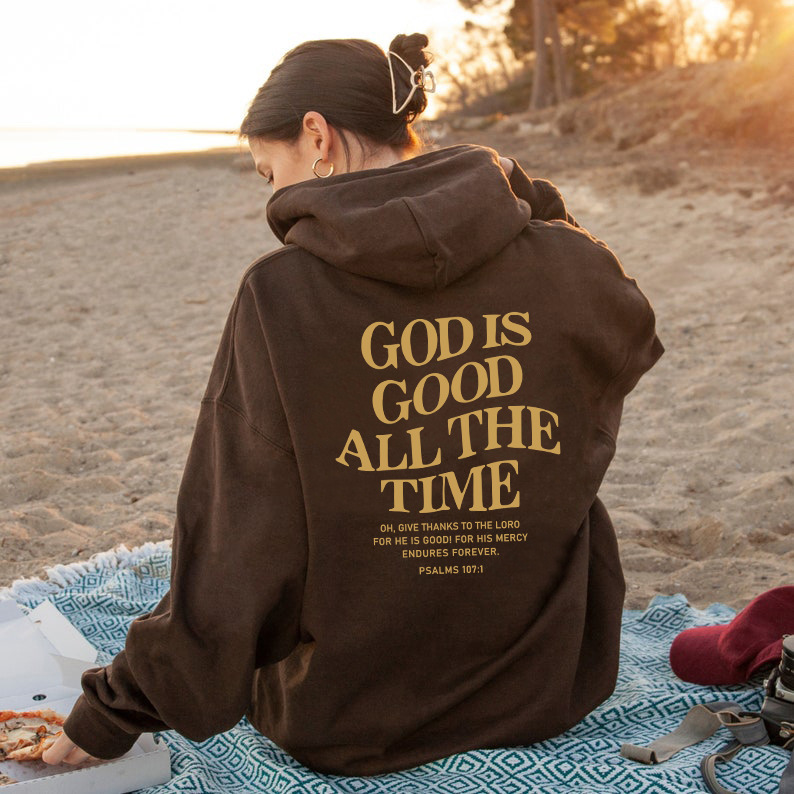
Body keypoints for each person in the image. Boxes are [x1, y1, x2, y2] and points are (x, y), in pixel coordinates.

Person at [43, 32, 664, 776]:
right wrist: (519, 196)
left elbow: (239, 549)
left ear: (317, 136)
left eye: (269, 171)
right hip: (546, 685)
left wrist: (114, 711)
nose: (273, 195)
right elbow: (630, 334)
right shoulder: (569, 264)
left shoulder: (280, 294)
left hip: (353, 717)